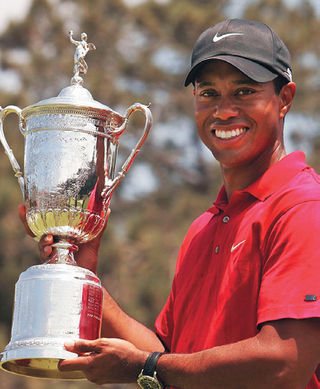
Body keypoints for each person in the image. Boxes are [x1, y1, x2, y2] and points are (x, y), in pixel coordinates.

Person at [20, 18, 320, 388]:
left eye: (244, 91)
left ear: (284, 99)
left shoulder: (303, 208)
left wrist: (144, 367)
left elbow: (284, 362)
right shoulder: (204, 227)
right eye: (208, 93)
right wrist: (85, 280)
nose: (224, 110)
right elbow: (170, 353)